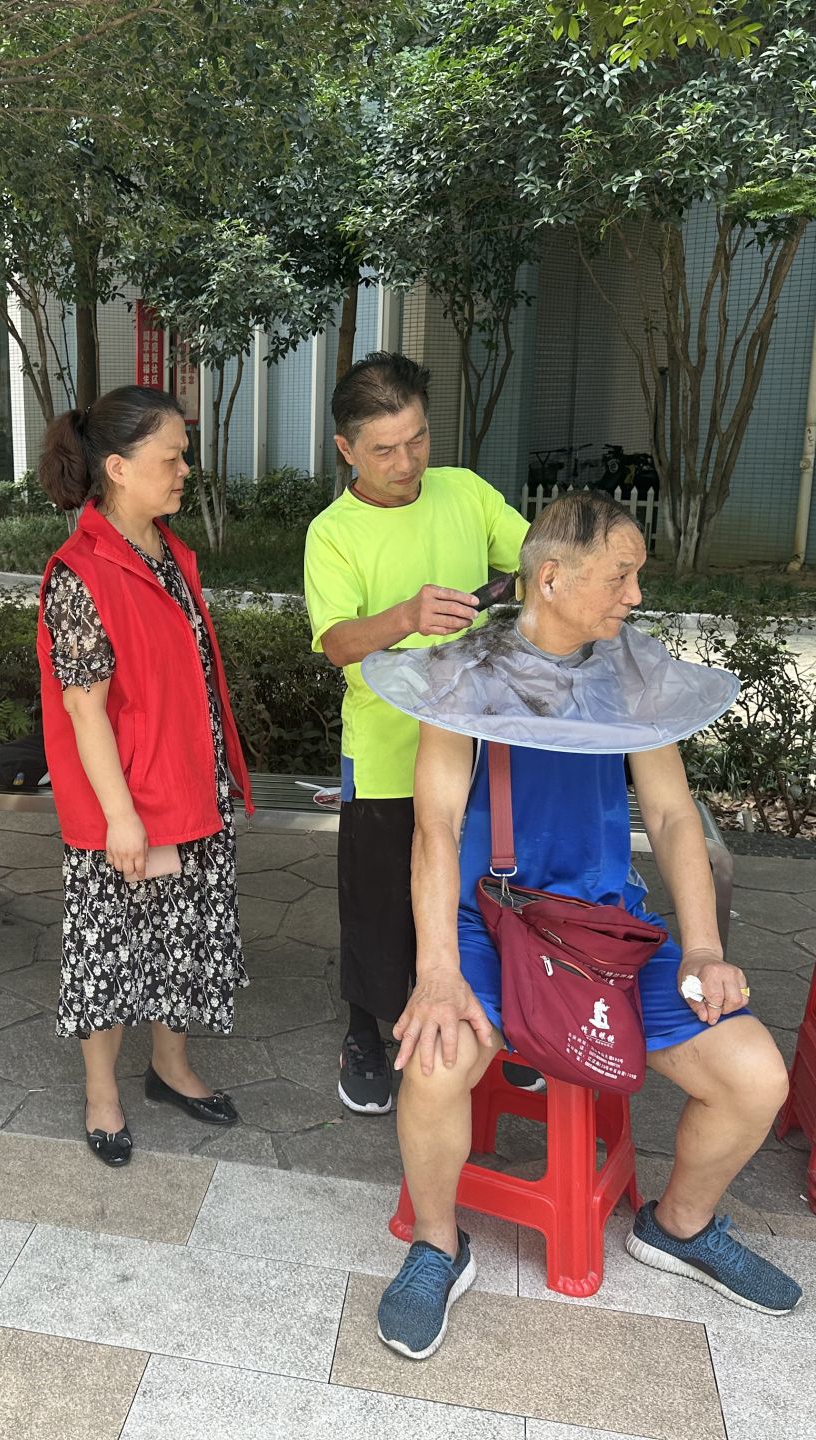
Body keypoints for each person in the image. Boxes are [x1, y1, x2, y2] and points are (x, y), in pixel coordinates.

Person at [370, 491, 800, 1360]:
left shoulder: (629, 672)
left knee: (756, 1077)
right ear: (553, 578)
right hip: (493, 924)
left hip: (607, 931)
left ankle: (678, 1227)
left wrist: (705, 947)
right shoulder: (467, 672)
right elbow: (435, 828)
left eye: (636, 577)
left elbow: (673, 818)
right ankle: (437, 1247)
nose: (635, 595)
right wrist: (438, 969)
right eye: (620, 575)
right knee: (436, 1060)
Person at [302, 352, 530, 1116]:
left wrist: (530, 581)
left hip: (480, 745)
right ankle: (366, 1031)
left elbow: (535, 560)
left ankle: (508, 1019)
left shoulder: (464, 492)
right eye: (384, 450)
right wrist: (406, 616)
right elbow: (337, 643)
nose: (407, 464)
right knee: (379, 902)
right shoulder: (333, 533)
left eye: (418, 440)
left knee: (488, 888)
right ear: (346, 449)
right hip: (386, 751)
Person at [36, 385, 253, 1167]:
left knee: (182, 938)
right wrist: (122, 818)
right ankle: (102, 1094)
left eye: (184, 456)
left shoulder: (166, 551)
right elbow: (84, 708)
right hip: (125, 800)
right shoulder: (80, 571)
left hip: (189, 783)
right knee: (110, 949)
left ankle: (170, 1066)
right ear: (119, 469)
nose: (185, 469)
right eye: (172, 457)